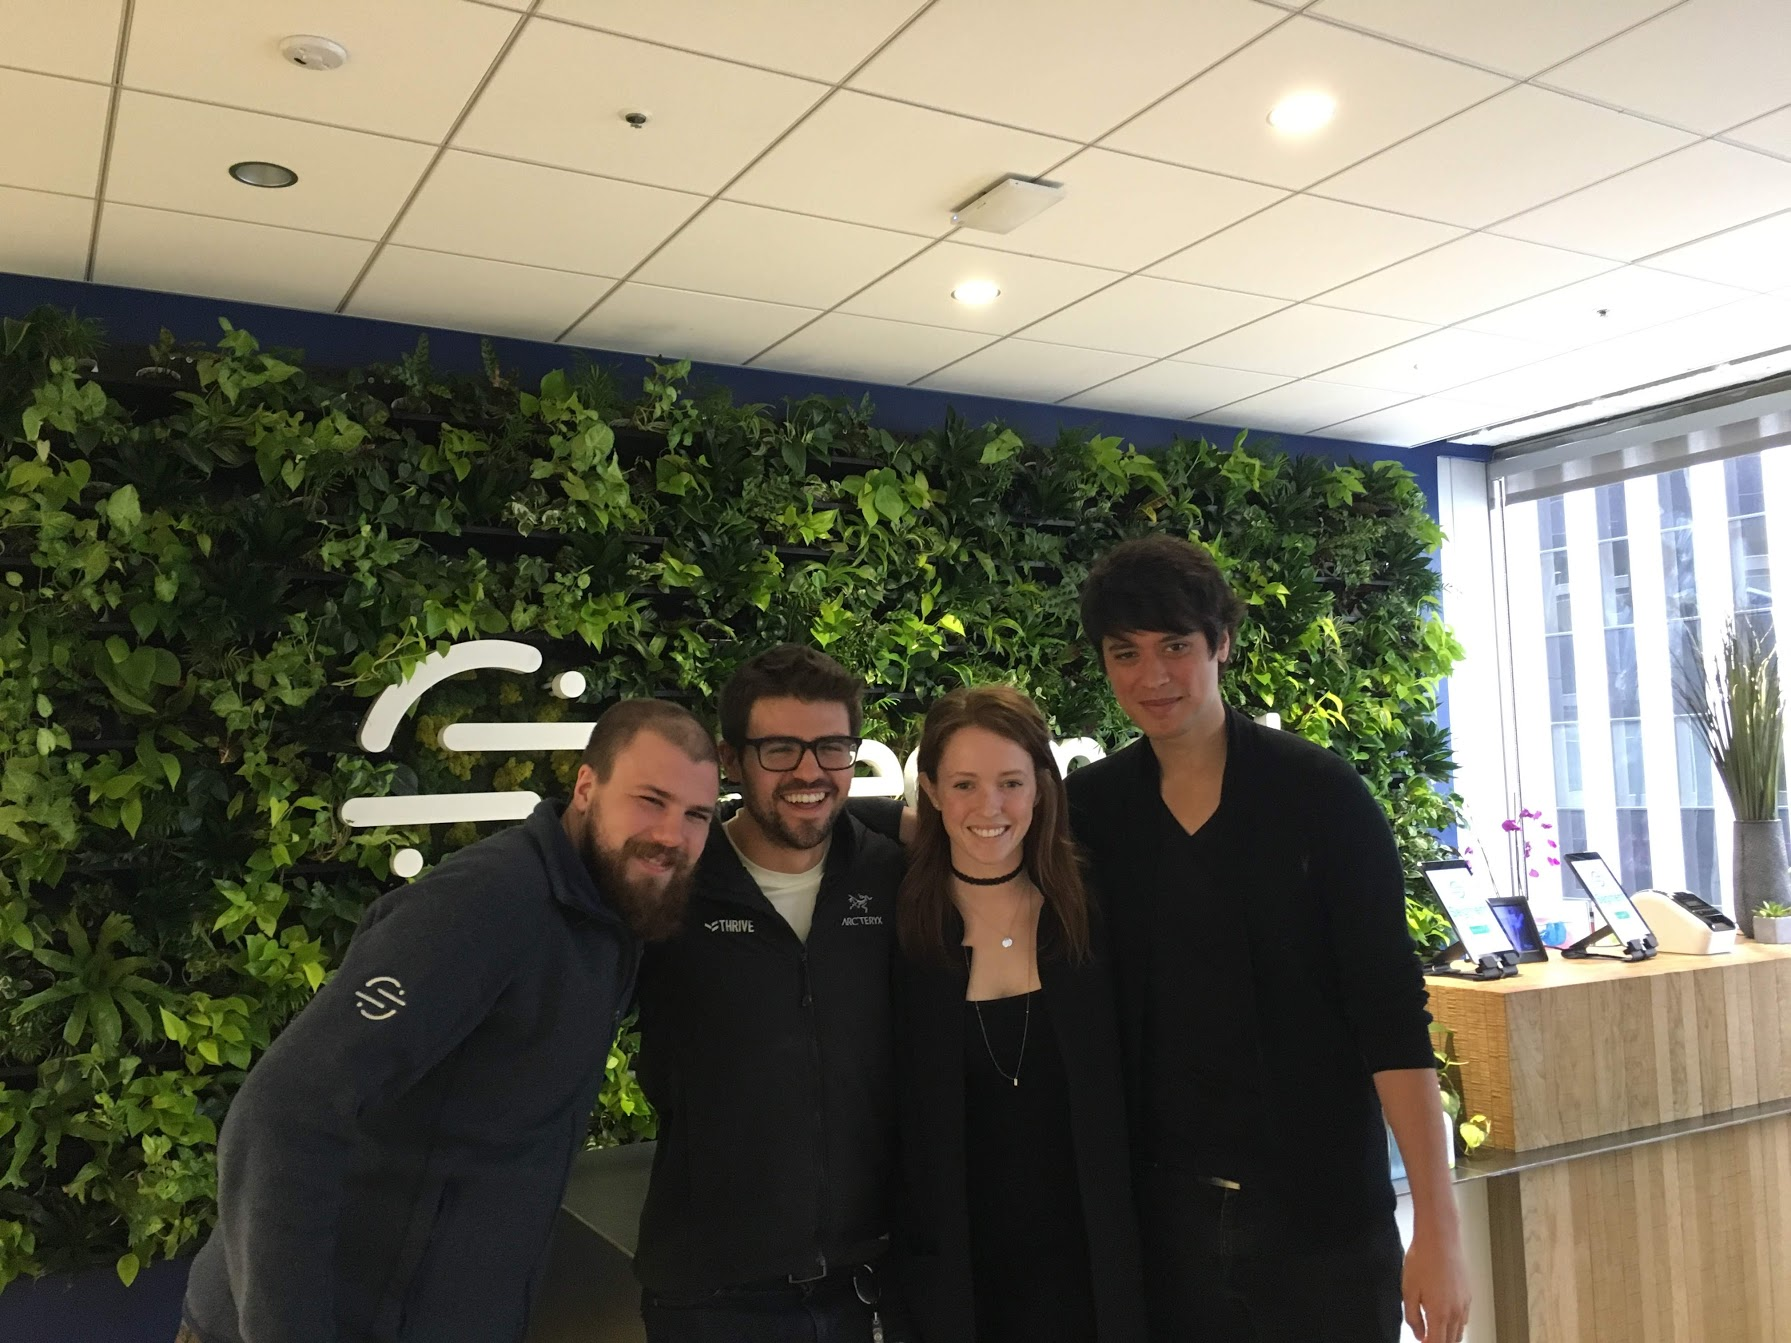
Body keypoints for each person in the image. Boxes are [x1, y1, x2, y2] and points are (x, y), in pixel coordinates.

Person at [177, 700, 719, 1343]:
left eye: (696, 815)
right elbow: (283, 1113)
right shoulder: (485, 905)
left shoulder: (614, 914)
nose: (670, 834)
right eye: (650, 800)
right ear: (585, 786)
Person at [1066, 534, 1470, 1343]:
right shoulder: (1091, 810)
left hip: (1319, 1222)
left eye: (1175, 646)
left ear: (1219, 644)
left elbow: (1390, 1016)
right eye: (1126, 652)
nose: (1152, 676)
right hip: (1160, 1229)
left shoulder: (1319, 793)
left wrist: (1437, 1225)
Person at [632, 644, 907, 1342]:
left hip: (871, 1283)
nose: (809, 771)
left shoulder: (892, 873)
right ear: (731, 759)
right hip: (711, 1294)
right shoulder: (674, 890)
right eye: (780, 749)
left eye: (832, 747)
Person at [891, 685, 1147, 1343]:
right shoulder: (895, 922)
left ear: (1041, 788)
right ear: (931, 791)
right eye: (964, 784)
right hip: (959, 1284)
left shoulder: (1091, 909)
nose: (989, 807)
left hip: (1092, 1275)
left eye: (1009, 782)